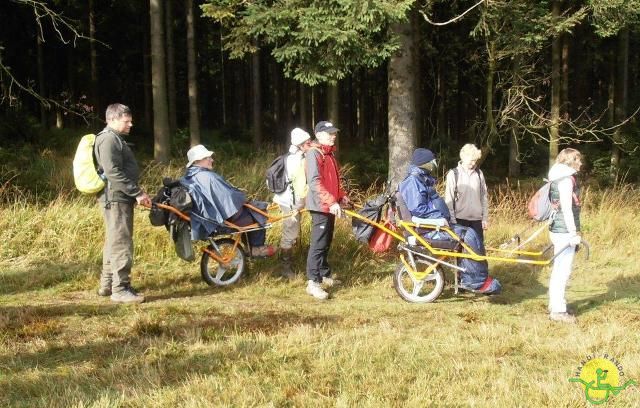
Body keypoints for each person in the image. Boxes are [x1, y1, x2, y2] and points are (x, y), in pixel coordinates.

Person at [398, 148, 501, 294]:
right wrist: (439, 220)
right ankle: (475, 282)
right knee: (469, 235)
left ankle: (474, 278)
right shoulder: (413, 182)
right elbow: (419, 210)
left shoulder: (421, 179)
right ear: (424, 163)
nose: (434, 164)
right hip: (427, 230)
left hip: (432, 226)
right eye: (432, 161)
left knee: (471, 235)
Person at [94, 103, 151, 304]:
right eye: (127, 121)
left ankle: (107, 284)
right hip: (116, 198)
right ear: (113, 119)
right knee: (121, 242)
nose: (131, 124)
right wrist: (137, 193)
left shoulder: (114, 138)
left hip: (118, 198)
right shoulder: (109, 139)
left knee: (113, 240)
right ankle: (120, 289)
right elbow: (113, 172)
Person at [180, 144, 275, 257]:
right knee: (259, 211)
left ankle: (251, 246)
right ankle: (256, 248)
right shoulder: (208, 177)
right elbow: (229, 197)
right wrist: (242, 197)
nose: (212, 159)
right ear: (197, 161)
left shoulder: (189, 177)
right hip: (223, 219)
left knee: (253, 208)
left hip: (208, 217)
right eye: (207, 158)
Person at [304, 120, 350, 300]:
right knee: (318, 244)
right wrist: (331, 202)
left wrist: (342, 196)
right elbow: (315, 182)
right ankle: (313, 283)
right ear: (319, 135)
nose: (334, 136)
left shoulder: (329, 154)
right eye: (330, 133)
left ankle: (324, 275)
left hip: (330, 205)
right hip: (321, 207)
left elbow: (334, 181)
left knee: (326, 242)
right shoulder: (314, 154)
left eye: (334, 133)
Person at [547, 148, 583, 323]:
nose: (581, 163)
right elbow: (567, 209)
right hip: (563, 230)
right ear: (571, 161)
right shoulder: (566, 180)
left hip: (556, 227)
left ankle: (555, 305)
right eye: (578, 159)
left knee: (559, 269)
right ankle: (558, 311)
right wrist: (573, 233)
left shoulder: (556, 176)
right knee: (563, 270)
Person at [272, 127, 313, 279]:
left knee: (291, 233)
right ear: (301, 145)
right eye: (308, 143)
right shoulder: (299, 161)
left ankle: (288, 265)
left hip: (284, 200)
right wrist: (297, 208)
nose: (310, 145)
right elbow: (301, 189)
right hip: (291, 203)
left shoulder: (289, 157)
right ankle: (286, 270)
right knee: (290, 233)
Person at [444, 143, 489, 244]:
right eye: (471, 160)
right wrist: (452, 220)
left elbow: (484, 197)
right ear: (463, 157)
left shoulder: (479, 173)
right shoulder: (453, 174)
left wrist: (485, 218)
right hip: (459, 220)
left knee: (478, 252)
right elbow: (449, 199)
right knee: (460, 252)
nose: (473, 163)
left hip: (477, 221)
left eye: (475, 160)